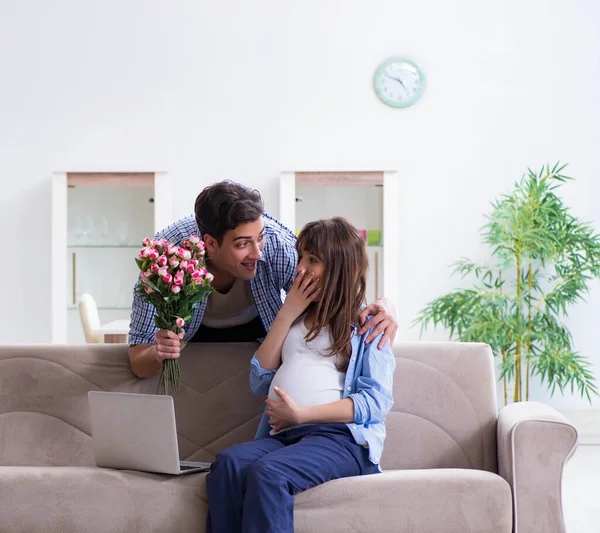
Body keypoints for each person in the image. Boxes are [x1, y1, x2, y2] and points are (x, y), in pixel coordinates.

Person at [205, 217, 395, 533]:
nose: (301, 268)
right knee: (229, 464)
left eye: (313, 260)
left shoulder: (368, 325)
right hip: (287, 437)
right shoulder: (294, 320)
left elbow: (374, 404)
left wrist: (301, 414)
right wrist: (288, 311)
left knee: (268, 473)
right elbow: (258, 380)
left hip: (341, 440)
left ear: (339, 269)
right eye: (301, 257)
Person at [128, 180, 397, 380]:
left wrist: (385, 306)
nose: (257, 253)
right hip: (191, 338)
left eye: (260, 237)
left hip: (256, 330)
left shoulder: (278, 246)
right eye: (243, 244)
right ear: (210, 243)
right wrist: (158, 352)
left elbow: (337, 296)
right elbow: (138, 362)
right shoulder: (164, 258)